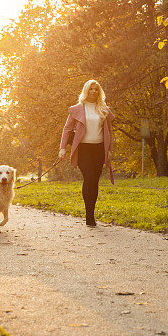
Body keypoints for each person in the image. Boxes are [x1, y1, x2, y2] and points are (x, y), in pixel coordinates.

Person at [59, 79, 115, 227]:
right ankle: (89, 216)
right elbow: (67, 129)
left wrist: (109, 150)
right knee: (88, 178)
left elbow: (110, 131)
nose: (94, 92)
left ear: (99, 92)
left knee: (94, 181)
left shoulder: (104, 109)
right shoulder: (78, 108)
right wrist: (62, 148)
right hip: (83, 149)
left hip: (99, 149)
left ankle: (92, 213)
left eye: (96, 89)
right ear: (86, 90)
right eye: (91, 89)